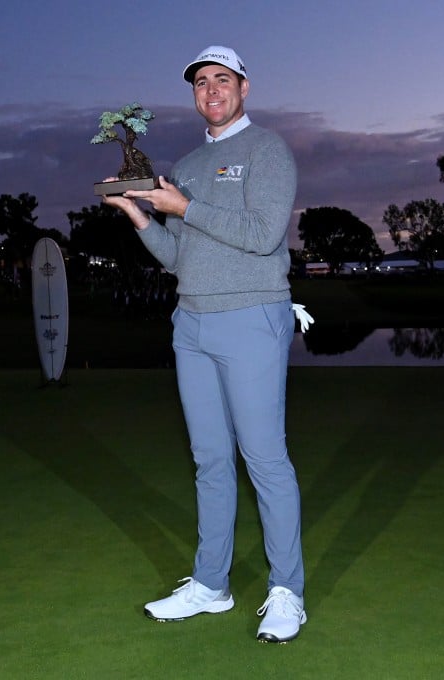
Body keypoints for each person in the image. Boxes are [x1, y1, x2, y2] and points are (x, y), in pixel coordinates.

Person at [102, 45, 309, 643]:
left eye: (223, 79)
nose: (211, 90)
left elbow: (263, 235)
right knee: (210, 460)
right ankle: (211, 584)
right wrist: (140, 215)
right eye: (201, 82)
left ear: (244, 89)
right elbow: (176, 256)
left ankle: (286, 591)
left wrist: (184, 205)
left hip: (251, 317)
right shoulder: (188, 163)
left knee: (264, 459)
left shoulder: (268, 150)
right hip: (190, 323)